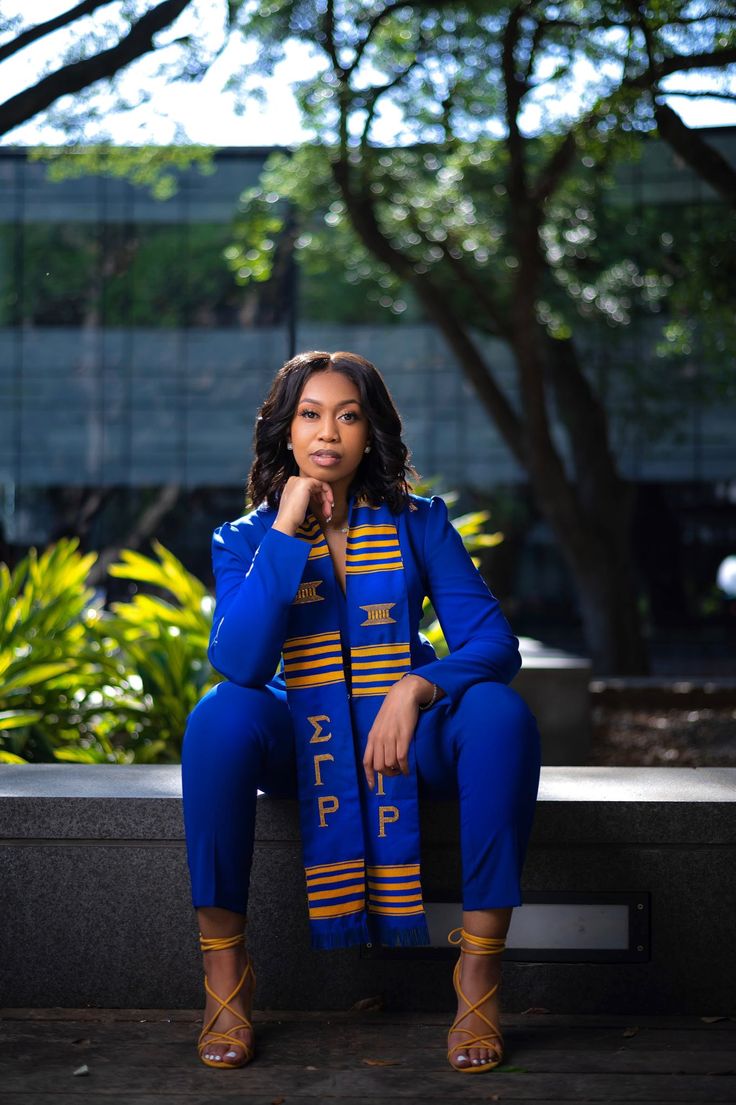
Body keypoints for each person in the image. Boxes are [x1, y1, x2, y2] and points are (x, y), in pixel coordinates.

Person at [181, 349, 541, 1074]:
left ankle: (478, 978)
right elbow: (244, 662)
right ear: (285, 431)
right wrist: (286, 531)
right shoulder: (246, 537)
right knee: (220, 715)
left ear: (370, 431)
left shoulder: (419, 522)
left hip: (401, 739)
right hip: (304, 735)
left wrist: (414, 688)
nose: (329, 432)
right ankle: (226, 975)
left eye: (348, 415)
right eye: (310, 414)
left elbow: (493, 643)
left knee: (500, 714)